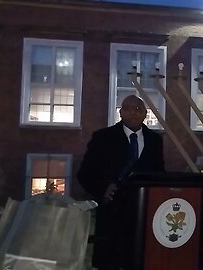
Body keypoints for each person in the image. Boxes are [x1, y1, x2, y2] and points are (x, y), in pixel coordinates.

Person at [77, 95, 165, 270]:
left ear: (145, 114)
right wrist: (103, 189)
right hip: (112, 217)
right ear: (121, 113)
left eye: (138, 109)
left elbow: (159, 174)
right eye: (128, 109)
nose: (133, 113)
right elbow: (85, 174)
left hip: (144, 218)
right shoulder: (103, 137)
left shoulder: (155, 140)